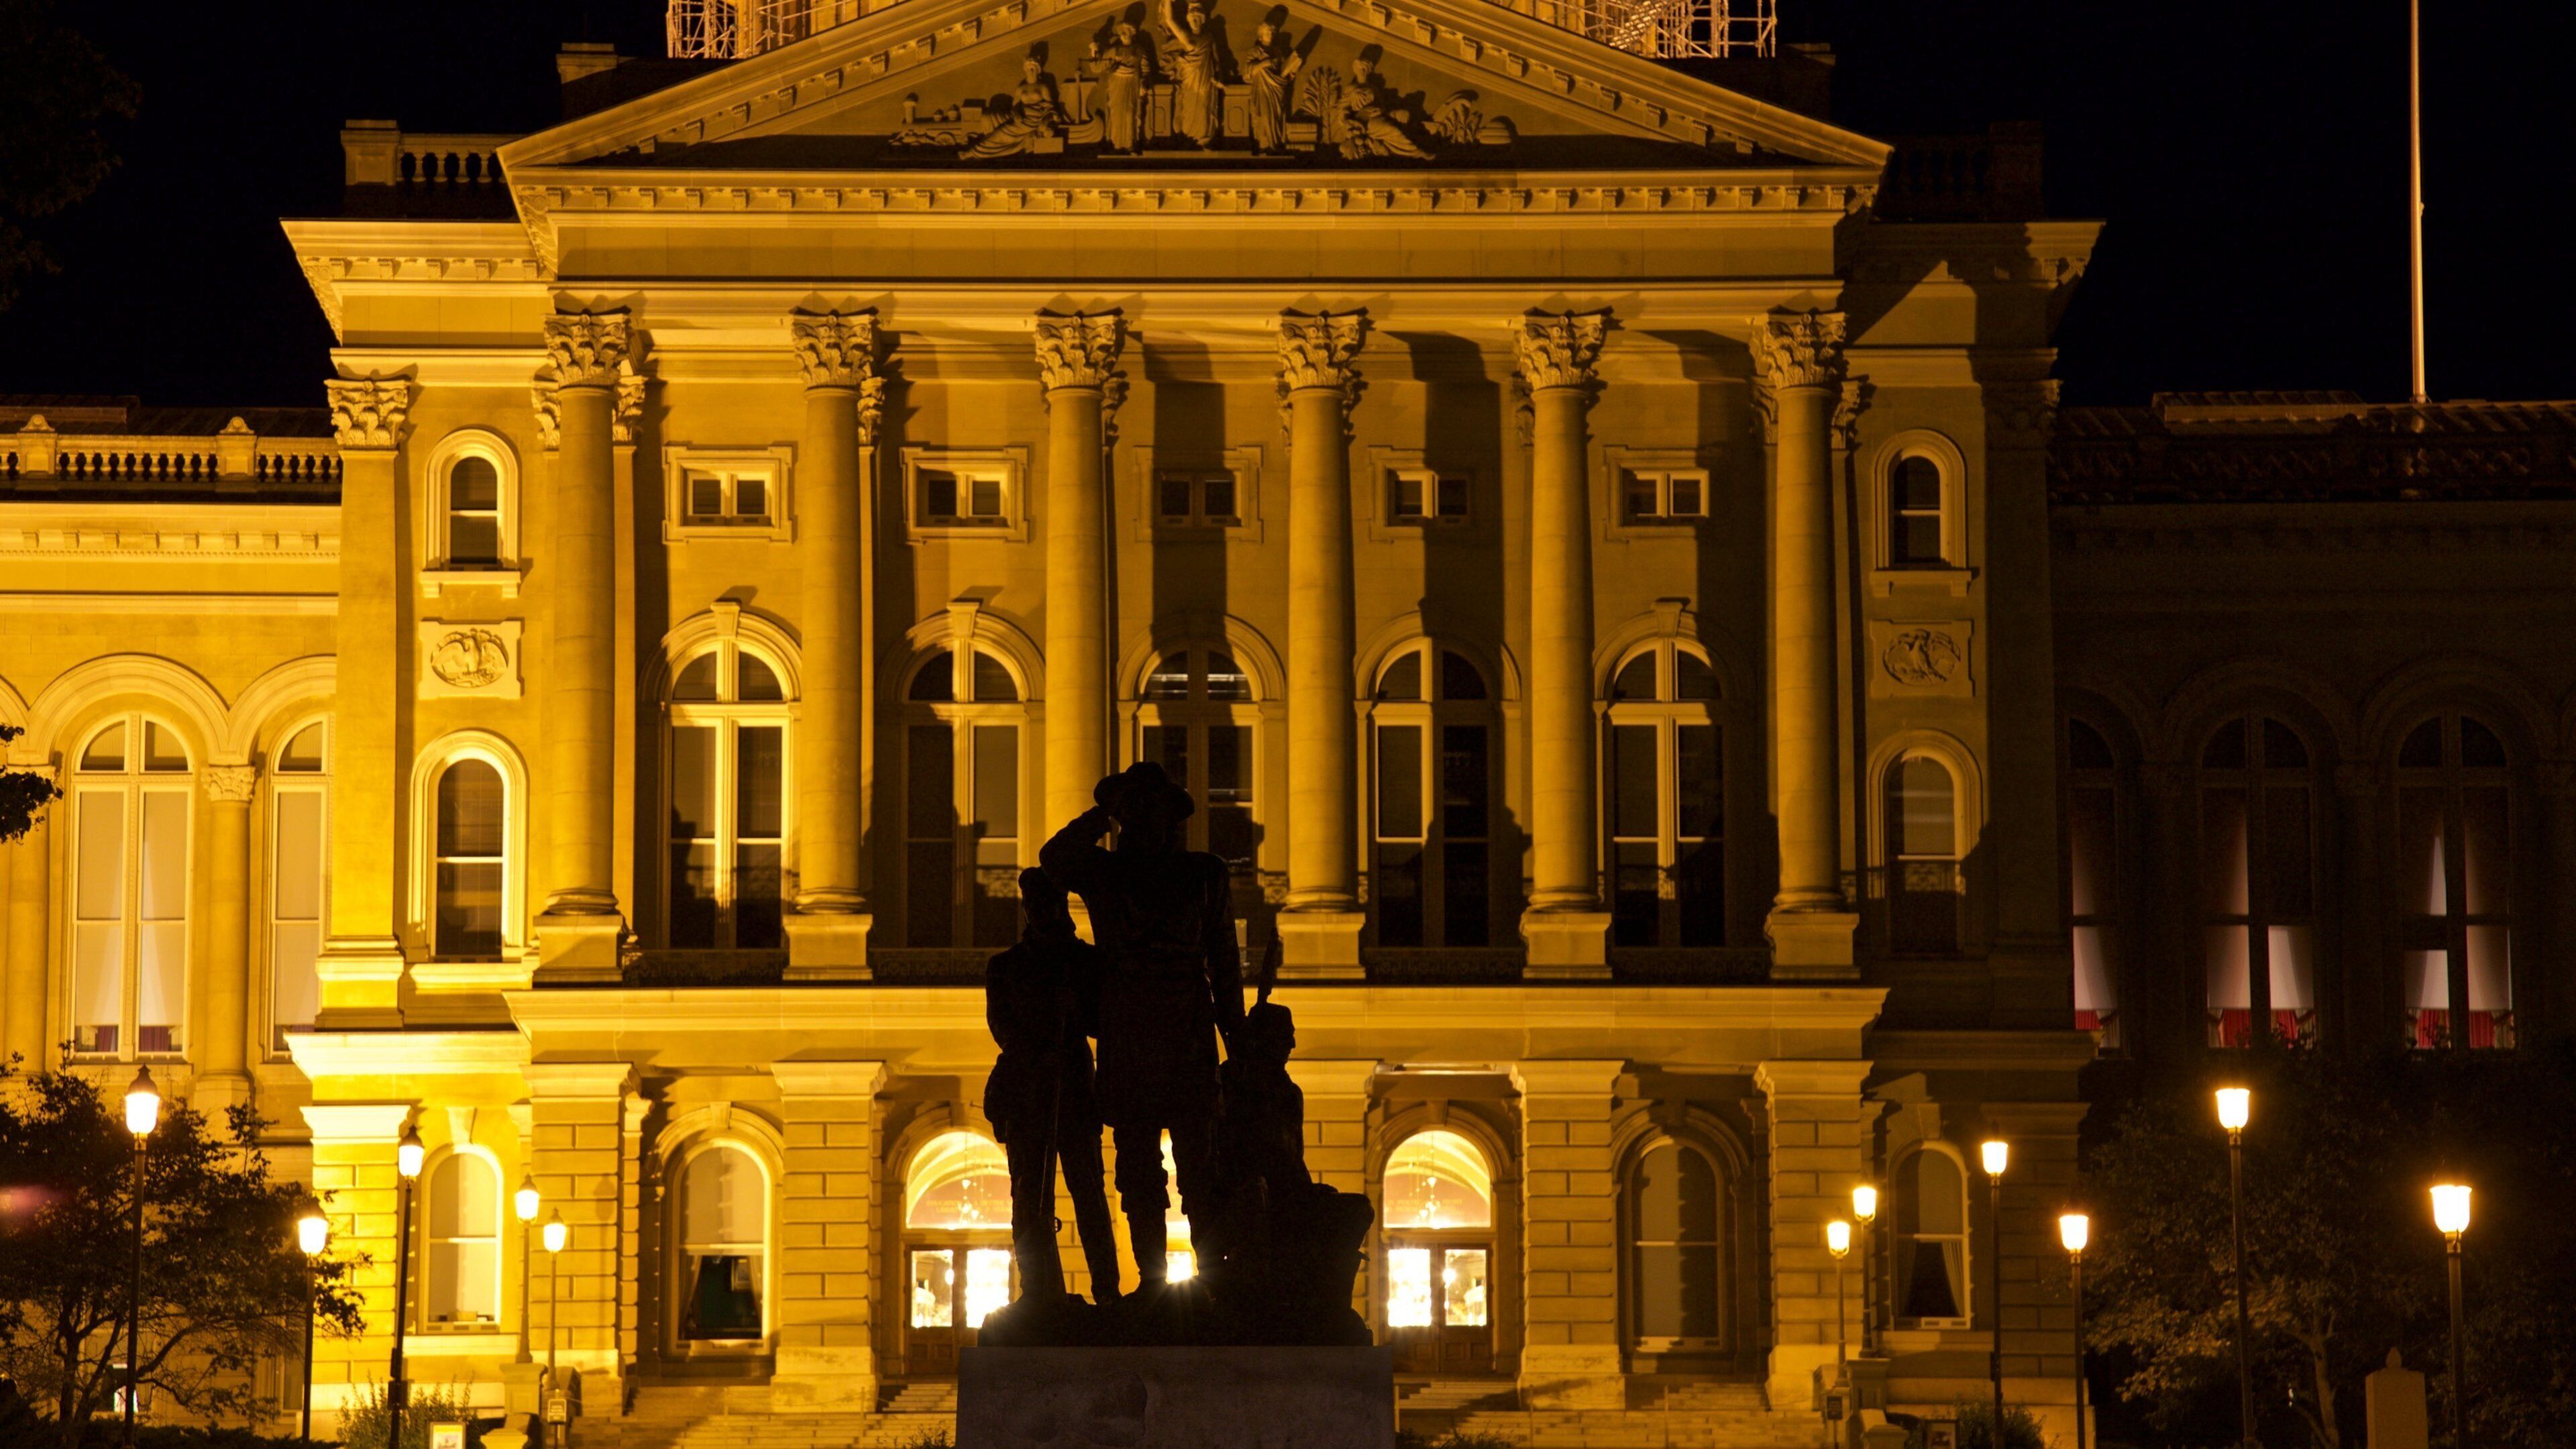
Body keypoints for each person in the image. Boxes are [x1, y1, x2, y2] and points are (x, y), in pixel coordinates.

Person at [1040, 761, 1244, 1296]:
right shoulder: (1105, 871)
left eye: (1155, 806)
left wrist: (1237, 1035)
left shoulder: (1205, 873)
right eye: (1134, 807)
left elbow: (1224, 961)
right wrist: (1099, 814)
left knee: (1200, 1166)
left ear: (1172, 816)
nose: (1146, 818)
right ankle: (1153, 1283)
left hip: (1184, 1027)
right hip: (1128, 1026)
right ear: (1123, 816)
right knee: (1136, 1170)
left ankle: (1213, 1282)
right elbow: (1052, 861)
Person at [983, 867, 1120, 1303]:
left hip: (1075, 1091)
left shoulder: (1084, 962)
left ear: (1060, 907)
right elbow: (1002, 1027)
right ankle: (1039, 1290)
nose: (1040, 912)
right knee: (1030, 1195)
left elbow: (1105, 1023)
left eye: (1047, 904)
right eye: (1033, 905)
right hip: (1026, 1091)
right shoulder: (1006, 968)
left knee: (1088, 1193)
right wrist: (1041, 1047)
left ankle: (1107, 1291)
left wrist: (1077, 1009)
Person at [1161, 0, 1220, 146]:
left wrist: (1220, 77)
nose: (1195, 21)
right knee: (1189, 108)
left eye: (1198, 18)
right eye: (1192, 18)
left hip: (1206, 81)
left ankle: (1204, 138)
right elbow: (1170, 20)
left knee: (1204, 109)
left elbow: (1216, 60)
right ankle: (1188, 137)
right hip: (1190, 82)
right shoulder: (1187, 37)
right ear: (1188, 19)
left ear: (1203, 20)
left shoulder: (1209, 38)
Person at [1085, 21, 1148, 152]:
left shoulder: (1140, 50)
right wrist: (1093, 52)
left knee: (1131, 113)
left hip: (1132, 84)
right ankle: (1116, 144)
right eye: (1121, 33)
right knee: (1116, 114)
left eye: (1126, 32)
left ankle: (1131, 143)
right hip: (1117, 85)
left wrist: (1144, 83)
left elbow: (1145, 68)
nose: (1123, 35)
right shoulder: (1114, 50)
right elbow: (1098, 67)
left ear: (1132, 33)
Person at [1242, 21, 1303, 154]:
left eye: (1271, 32)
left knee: (1277, 117)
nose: (1270, 34)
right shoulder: (1254, 52)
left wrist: (1293, 69)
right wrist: (1264, 63)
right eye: (1267, 32)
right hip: (1262, 90)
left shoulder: (1277, 52)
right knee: (1264, 117)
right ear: (1261, 35)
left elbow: (1283, 73)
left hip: (1277, 91)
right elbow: (1247, 73)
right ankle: (1265, 145)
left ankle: (1276, 143)